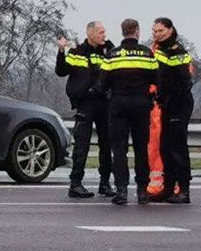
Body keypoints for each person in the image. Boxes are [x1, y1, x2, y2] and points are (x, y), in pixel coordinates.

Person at [97, 19, 159, 205]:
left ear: (122, 32)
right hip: (141, 106)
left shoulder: (112, 55)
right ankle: (142, 191)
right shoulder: (147, 54)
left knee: (119, 150)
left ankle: (122, 191)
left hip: (119, 106)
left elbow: (102, 84)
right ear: (137, 31)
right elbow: (157, 81)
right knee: (141, 149)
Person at [56, 21, 115, 198]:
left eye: (105, 32)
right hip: (85, 103)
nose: (104, 35)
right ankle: (75, 184)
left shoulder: (108, 52)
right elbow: (61, 71)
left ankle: (105, 183)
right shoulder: (77, 53)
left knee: (107, 144)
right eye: (101, 32)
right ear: (90, 34)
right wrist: (61, 51)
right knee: (82, 144)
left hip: (105, 102)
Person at [152, 17, 194, 204]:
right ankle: (168, 188)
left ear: (170, 30)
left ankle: (184, 190)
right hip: (166, 104)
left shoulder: (178, 52)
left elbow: (184, 83)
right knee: (165, 146)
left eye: (160, 31)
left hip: (179, 104)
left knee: (178, 147)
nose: (156, 34)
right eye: (154, 31)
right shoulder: (159, 50)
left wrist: (168, 98)